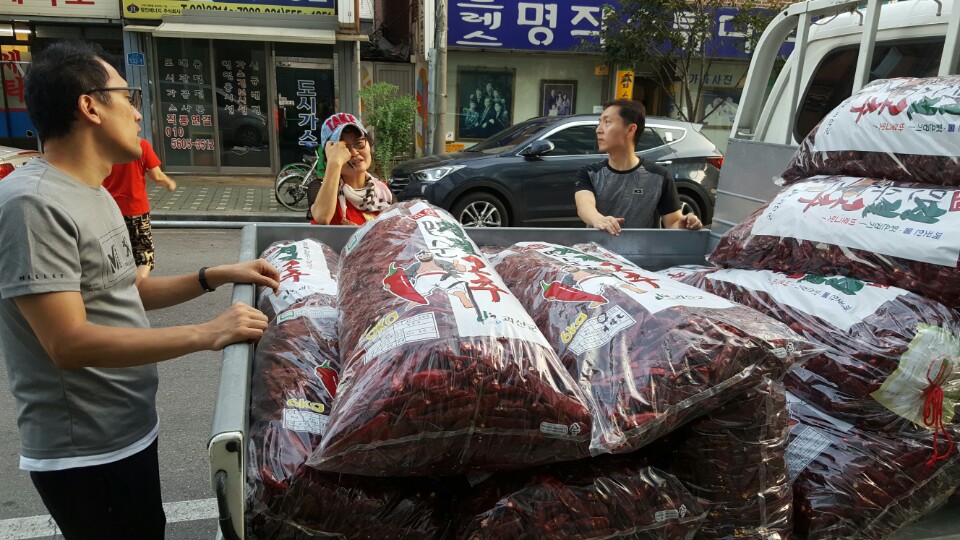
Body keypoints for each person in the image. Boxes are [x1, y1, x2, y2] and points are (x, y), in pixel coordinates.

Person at [0, 41, 280, 539]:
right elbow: (67, 343)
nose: (136, 112)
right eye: (126, 97)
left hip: (128, 431)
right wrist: (208, 332)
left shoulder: (94, 191)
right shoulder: (32, 205)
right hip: (84, 452)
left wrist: (214, 275)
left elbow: (128, 291)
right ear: (89, 106)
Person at [574, 99, 702, 235]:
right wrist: (599, 219)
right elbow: (584, 206)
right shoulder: (589, 173)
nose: (598, 130)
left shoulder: (659, 176)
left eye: (607, 122)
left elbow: (672, 223)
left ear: (630, 129)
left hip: (640, 252)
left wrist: (685, 224)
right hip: (598, 251)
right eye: (599, 122)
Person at [102, 137, 176, 280]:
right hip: (136, 211)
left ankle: (119, 289)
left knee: (116, 254)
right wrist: (169, 183)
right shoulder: (140, 144)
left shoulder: (104, 143)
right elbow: (157, 176)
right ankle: (134, 292)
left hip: (109, 210)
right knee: (144, 257)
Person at [308, 112, 393, 225]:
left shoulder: (384, 190)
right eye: (344, 148)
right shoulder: (318, 187)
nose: (354, 152)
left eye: (359, 144)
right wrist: (334, 163)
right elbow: (322, 218)